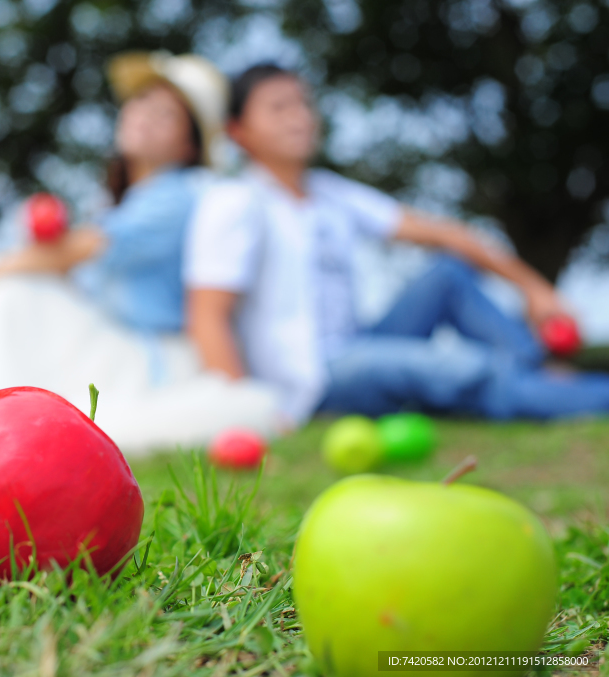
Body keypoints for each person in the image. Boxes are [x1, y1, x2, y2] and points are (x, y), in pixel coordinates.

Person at [0, 53, 286, 453]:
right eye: (141, 103)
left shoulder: (176, 196)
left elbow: (77, 253)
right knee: (9, 300)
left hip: (143, 355)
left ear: (189, 145)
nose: (145, 116)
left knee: (12, 294)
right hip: (110, 342)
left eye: (165, 114)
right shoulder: (126, 200)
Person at [184, 63, 609, 424]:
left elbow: (448, 235)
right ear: (238, 131)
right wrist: (250, 415)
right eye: (279, 108)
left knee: (448, 276)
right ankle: (565, 390)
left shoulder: (330, 194)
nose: (300, 117)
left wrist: (535, 289)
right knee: (455, 368)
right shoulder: (234, 202)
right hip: (313, 379)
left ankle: (537, 371)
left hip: (359, 344)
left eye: (303, 103)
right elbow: (208, 315)